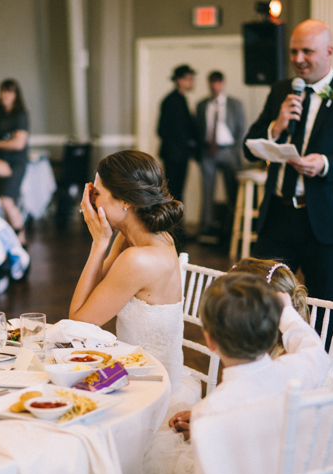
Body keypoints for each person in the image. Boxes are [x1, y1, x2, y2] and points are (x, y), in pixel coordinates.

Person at [243, 19, 333, 343]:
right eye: (294, 51)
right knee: (261, 297)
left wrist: (326, 163)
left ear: (329, 52)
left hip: (326, 221)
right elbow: (249, 146)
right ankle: (270, 367)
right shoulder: (281, 90)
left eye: (307, 51)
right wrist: (275, 127)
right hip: (278, 215)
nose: (299, 58)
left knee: (323, 305)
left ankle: (319, 376)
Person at [69, 150, 199, 407]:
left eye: (97, 193)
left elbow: (77, 323)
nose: (91, 201)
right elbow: (92, 295)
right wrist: (104, 240)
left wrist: (98, 243)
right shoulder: (143, 236)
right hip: (132, 368)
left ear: (125, 201)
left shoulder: (139, 259)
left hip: (148, 389)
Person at [188, 273, 331, 474]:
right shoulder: (298, 371)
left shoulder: (207, 411)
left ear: (210, 340)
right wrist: (286, 315)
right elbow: (313, 348)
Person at [195, 71, 246, 242]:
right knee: (207, 191)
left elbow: (242, 129)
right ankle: (206, 228)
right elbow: (198, 130)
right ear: (209, 84)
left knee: (233, 191)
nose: (215, 86)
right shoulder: (201, 105)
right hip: (208, 152)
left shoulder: (234, 104)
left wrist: (236, 151)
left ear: (223, 83)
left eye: (218, 82)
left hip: (229, 151)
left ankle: (232, 229)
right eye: (212, 82)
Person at [0, 79, 30, 245]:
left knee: (7, 200)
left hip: (15, 164)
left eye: (9, 91)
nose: (5, 95)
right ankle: (11, 239)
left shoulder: (20, 115)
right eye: (3, 91)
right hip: (1, 163)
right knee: (5, 201)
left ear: (16, 95)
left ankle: (21, 239)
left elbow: (19, 143)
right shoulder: (1, 117)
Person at [157, 64, 198, 203]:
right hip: (174, 155)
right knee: (173, 191)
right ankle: (173, 223)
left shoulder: (182, 99)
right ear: (179, 80)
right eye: (188, 79)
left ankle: (177, 221)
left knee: (178, 191)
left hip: (180, 154)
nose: (191, 82)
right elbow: (162, 129)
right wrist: (178, 148)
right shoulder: (171, 100)